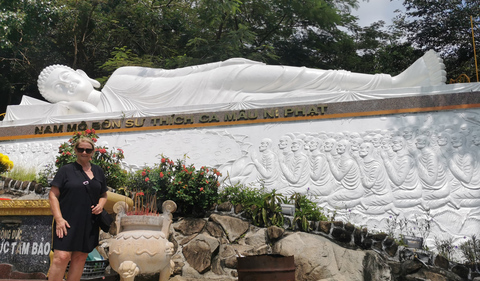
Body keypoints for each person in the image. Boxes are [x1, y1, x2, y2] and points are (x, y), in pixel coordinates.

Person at [35, 50, 446, 114]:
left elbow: (176, 74)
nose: (72, 88)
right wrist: (75, 105)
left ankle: (391, 80)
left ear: (82, 73)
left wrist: (226, 61)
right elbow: (89, 120)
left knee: (296, 75)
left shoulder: (122, 75)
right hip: (218, 103)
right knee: (304, 93)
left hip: (216, 78)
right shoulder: (96, 112)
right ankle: (389, 88)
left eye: (69, 80)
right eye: (63, 91)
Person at [37, 137, 107, 281]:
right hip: (67, 221)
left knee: (79, 259)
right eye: (81, 149)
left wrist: (101, 204)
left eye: (88, 150)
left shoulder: (98, 171)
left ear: (93, 152)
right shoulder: (66, 170)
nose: (84, 152)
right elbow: (53, 195)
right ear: (75, 150)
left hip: (88, 223)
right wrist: (58, 219)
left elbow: (104, 194)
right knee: (61, 258)